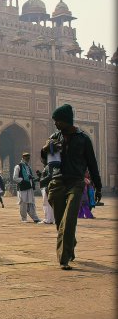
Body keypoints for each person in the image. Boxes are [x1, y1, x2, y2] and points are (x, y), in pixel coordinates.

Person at [43, 104, 102, 270]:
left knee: (68, 221)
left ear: (67, 121)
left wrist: (98, 186)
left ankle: (64, 258)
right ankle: (70, 243)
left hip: (75, 183)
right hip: (57, 182)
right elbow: (45, 160)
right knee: (61, 222)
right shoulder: (55, 137)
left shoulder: (83, 139)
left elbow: (92, 164)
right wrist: (46, 149)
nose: (55, 124)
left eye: (58, 121)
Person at [12, 153, 40, 223]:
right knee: (23, 203)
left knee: (31, 202)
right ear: (23, 157)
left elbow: (28, 177)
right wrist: (23, 180)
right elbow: (15, 178)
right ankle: (24, 218)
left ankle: (35, 218)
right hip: (22, 187)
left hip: (29, 187)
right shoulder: (18, 166)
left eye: (28, 158)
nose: (28, 159)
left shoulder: (28, 167)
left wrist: (32, 178)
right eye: (27, 158)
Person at [37, 160, 55, 224]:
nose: (41, 161)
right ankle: (50, 219)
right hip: (45, 186)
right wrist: (40, 176)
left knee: (46, 203)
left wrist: (42, 179)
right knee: (48, 203)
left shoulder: (49, 166)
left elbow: (50, 176)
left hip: (46, 187)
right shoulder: (47, 166)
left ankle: (47, 219)